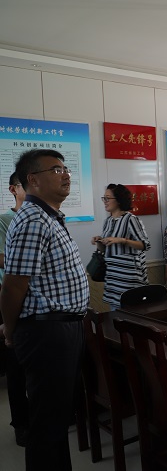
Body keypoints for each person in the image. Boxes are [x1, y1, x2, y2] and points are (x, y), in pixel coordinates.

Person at [0, 149, 89, 471]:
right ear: (33, 180)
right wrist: (10, 330)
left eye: (65, 169)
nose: (65, 175)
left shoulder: (49, 216)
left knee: (56, 418)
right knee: (47, 424)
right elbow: (13, 285)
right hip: (47, 331)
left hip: (61, 328)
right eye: (55, 170)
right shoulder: (33, 220)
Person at [0, 172, 29, 447]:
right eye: (26, 185)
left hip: (40, 303)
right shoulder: (4, 220)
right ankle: (21, 423)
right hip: (13, 298)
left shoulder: (48, 216)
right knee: (16, 367)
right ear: (14, 189)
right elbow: (1, 259)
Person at [92, 184, 151, 310]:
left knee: (132, 315)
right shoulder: (108, 221)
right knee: (115, 315)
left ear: (119, 200)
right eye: (104, 198)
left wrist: (123, 240)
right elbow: (105, 250)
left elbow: (145, 244)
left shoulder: (131, 219)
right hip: (113, 279)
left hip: (129, 279)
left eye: (108, 198)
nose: (105, 201)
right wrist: (99, 241)